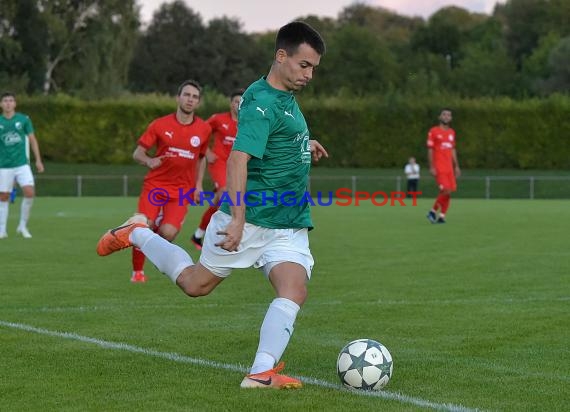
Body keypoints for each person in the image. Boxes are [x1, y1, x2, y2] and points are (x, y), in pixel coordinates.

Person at [97, 21, 328, 389]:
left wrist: (304, 144)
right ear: (281, 56)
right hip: (252, 219)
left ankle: (260, 372)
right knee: (195, 285)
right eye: (304, 65)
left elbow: (274, 140)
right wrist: (237, 220)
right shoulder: (262, 102)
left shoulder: (284, 100)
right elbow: (238, 160)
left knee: (294, 289)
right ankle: (137, 233)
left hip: (288, 222)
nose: (309, 74)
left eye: (313, 67)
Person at [130, 80, 211, 282]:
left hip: (182, 190)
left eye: (195, 97)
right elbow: (137, 154)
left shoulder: (203, 129)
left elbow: (201, 158)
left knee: (168, 233)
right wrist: (149, 160)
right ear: (178, 97)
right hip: (155, 185)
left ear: (198, 103)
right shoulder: (159, 125)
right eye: (187, 95)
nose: (190, 99)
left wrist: (199, 185)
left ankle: (152, 237)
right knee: (142, 226)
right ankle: (137, 273)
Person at [190, 89, 244, 250]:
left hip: (238, 166)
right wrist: (207, 152)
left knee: (221, 201)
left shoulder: (247, 123)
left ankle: (198, 235)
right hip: (220, 163)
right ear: (230, 103)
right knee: (225, 193)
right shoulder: (218, 119)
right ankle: (224, 235)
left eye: (242, 102)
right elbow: (200, 133)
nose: (239, 104)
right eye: (236, 101)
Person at [0, 92, 45, 238]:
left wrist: (38, 160)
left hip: (21, 164)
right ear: (1, 104)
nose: (8, 103)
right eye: (5, 101)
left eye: (11, 100)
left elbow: (32, 140)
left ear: (15, 104)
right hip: (4, 165)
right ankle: (2, 230)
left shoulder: (23, 120)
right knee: (4, 196)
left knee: (30, 193)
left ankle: (22, 226)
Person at [426, 108, 461, 224]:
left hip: (449, 167)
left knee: (448, 192)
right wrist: (431, 166)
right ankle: (432, 211)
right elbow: (430, 150)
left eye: (449, 115)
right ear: (440, 117)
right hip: (439, 166)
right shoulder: (433, 131)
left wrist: (456, 166)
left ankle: (441, 216)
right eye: (444, 115)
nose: (446, 117)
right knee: (445, 190)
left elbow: (452, 150)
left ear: (451, 118)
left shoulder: (452, 132)